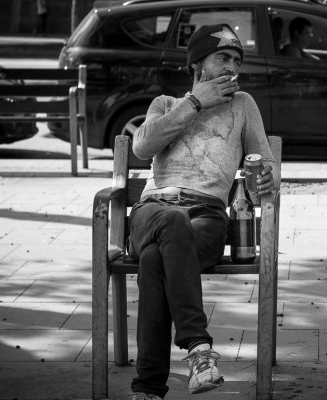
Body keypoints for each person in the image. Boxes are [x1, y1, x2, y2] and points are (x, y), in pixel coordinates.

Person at [126, 23, 279, 400]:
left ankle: (148, 389)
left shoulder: (243, 105)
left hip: (207, 216)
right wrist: (195, 102)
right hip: (153, 209)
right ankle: (198, 347)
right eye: (222, 58)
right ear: (198, 64)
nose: (231, 68)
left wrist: (264, 178)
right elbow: (142, 148)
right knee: (169, 220)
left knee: (153, 262)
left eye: (236, 61)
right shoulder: (164, 104)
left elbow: (267, 165)